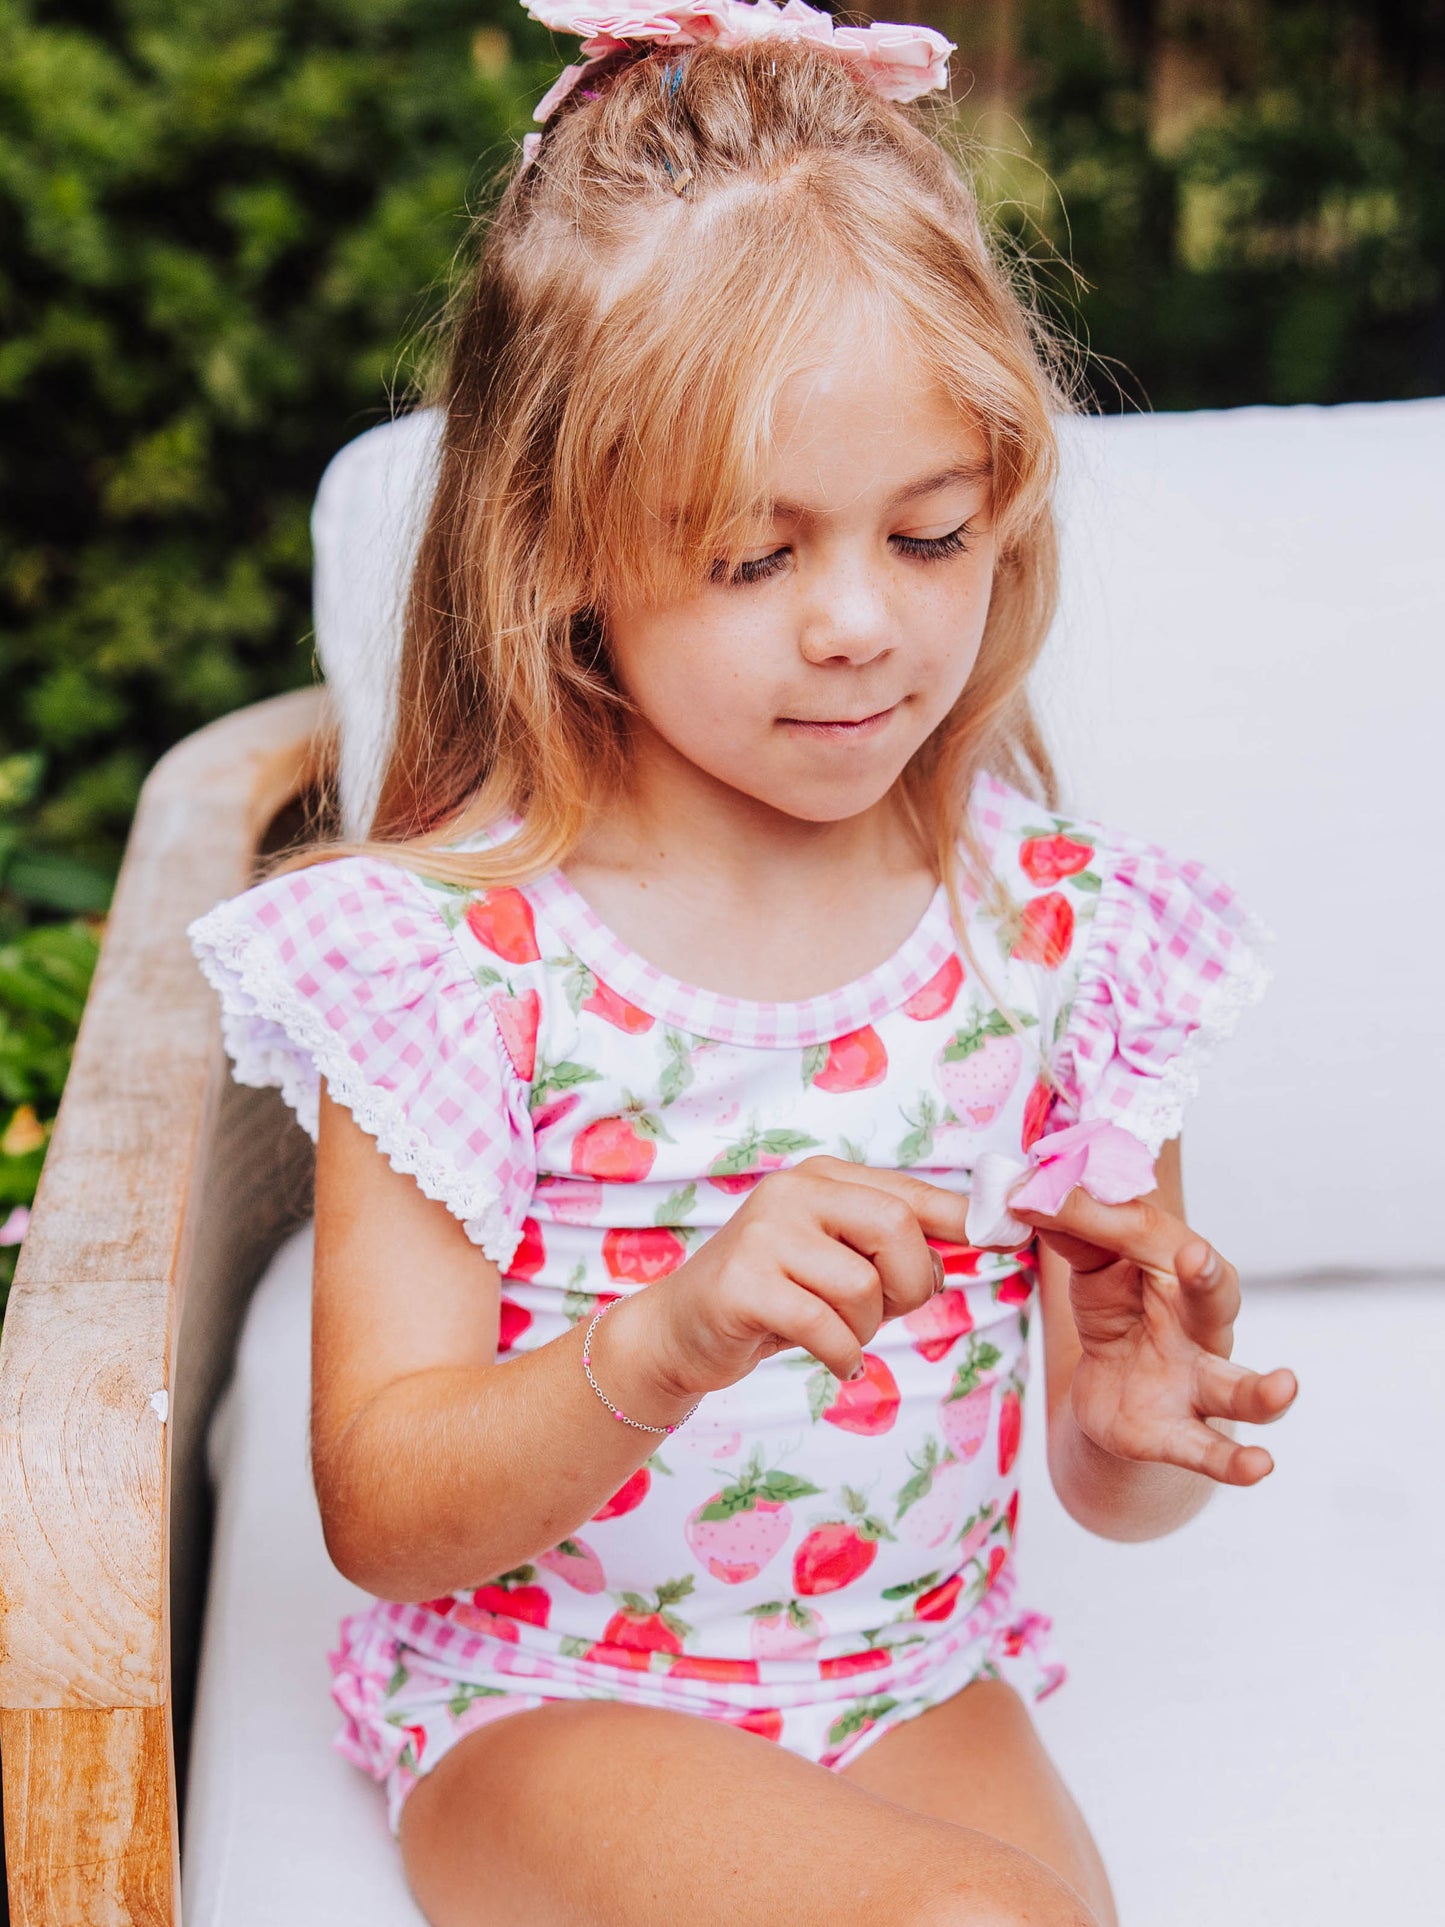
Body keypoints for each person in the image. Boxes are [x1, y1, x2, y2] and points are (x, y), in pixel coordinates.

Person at [188, 5, 1299, 1921]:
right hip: (545, 1703)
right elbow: (383, 1513)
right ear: (561, 558)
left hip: (905, 1678)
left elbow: (1116, 1494)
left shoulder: (1060, 943)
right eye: (752, 559)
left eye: (929, 534)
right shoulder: (457, 961)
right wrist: (666, 1336)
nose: (863, 625)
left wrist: (1134, 1435)